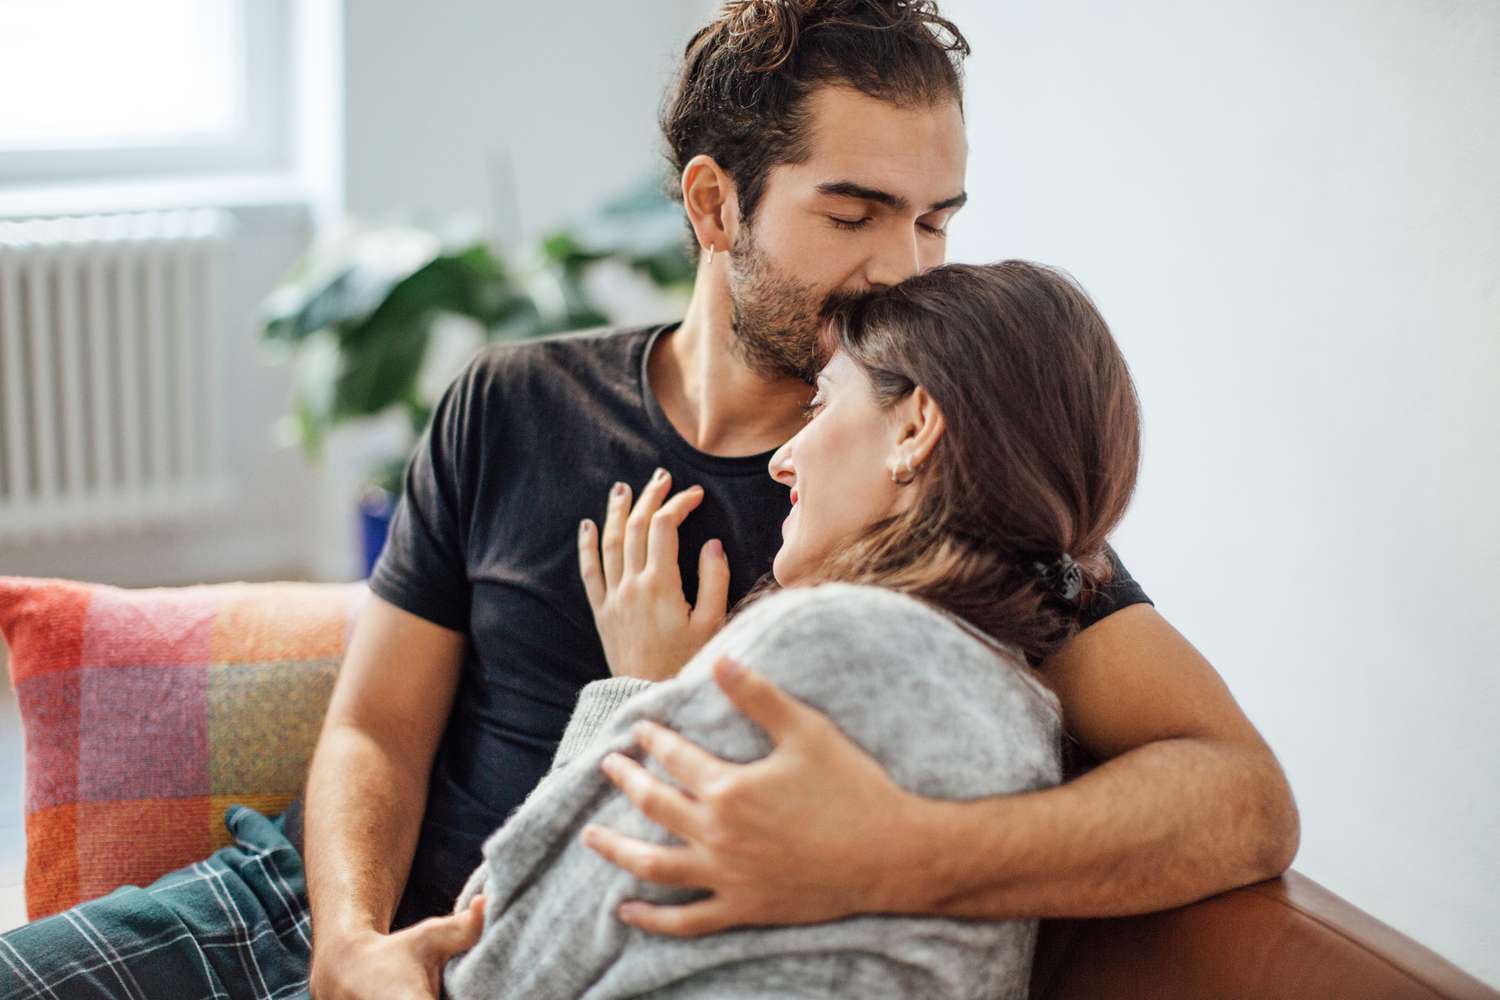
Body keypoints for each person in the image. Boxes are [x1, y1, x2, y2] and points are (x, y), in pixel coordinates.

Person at [0, 3, 1297, 999]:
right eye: (854, 213)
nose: (901, 270)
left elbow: (1241, 797)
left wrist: (893, 854)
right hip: (300, 906)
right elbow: (377, 730)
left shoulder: (935, 482)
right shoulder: (511, 403)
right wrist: (348, 943)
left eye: (934, 222)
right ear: (713, 201)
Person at [439, 259, 1142, 999]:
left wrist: (639, 692)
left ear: (914, 426)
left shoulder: (825, 641)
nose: (781, 460)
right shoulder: (1024, 708)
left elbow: (490, 953)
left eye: (819, 406)